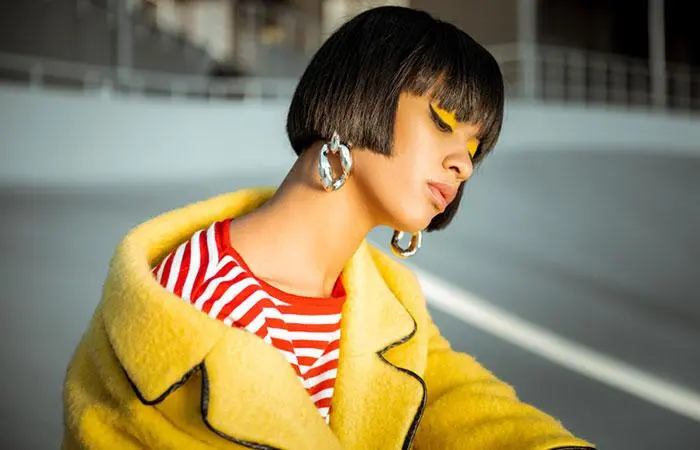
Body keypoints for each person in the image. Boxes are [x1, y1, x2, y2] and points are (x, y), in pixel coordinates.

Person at [62, 6, 596, 450]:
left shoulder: (387, 300)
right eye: (443, 121)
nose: (464, 165)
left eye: (475, 150)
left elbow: (467, 405)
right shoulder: (197, 301)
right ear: (361, 92)